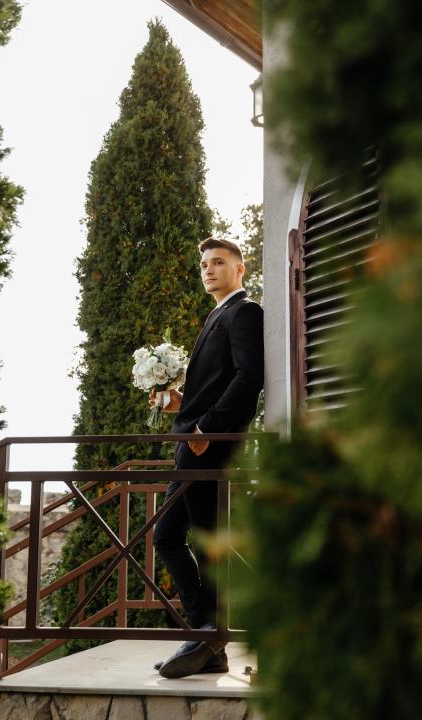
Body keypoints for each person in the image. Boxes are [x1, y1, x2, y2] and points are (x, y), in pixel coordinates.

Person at [151, 236, 264, 679]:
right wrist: (181, 402)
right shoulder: (215, 315)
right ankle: (207, 637)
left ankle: (210, 634)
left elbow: (249, 378)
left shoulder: (245, 312)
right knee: (170, 537)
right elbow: (218, 381)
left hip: (209, 445)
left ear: (239, 269)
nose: (208, 270)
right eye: (204, 264)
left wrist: (207, 428)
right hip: (192, 443)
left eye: (218, 262)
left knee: (202, 541)